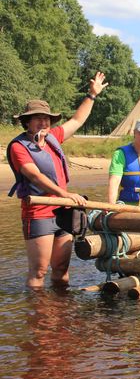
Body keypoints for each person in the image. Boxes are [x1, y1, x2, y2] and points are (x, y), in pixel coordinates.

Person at [6, 72, 108, 288]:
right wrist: (67, 194)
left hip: (63, 211)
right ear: (27, 122)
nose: (44, 122)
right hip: (38, 212)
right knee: (39, 271)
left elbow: (78, 120)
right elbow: (35, 176)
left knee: (61, 269)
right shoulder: (18, 147)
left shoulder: (54, 137)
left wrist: (92, 95)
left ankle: (61, 314)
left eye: (47, 118)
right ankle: (37, 318)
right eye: (38, 118)